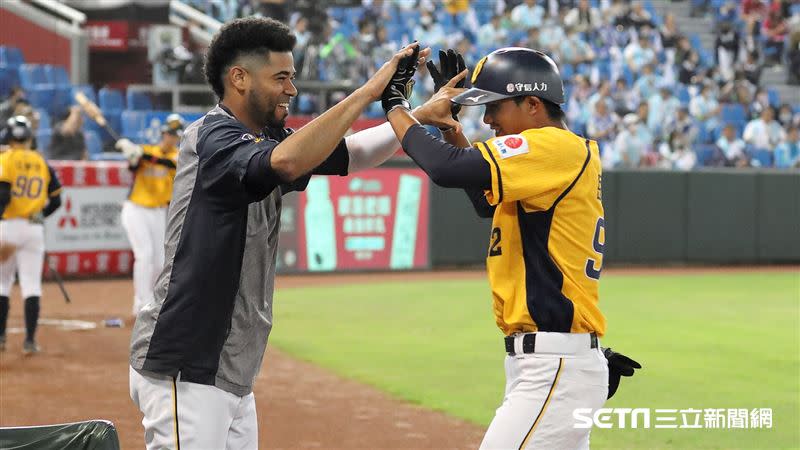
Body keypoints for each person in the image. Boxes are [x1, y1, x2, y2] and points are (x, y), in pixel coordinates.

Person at [128, 17, 433, 449]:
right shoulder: (214, 136)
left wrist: (419, 115)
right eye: (282, 77)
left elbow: (354, 153)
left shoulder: (263, 138)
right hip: (188, 362)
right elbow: (286, 163)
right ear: (239, 78)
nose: (292, 89)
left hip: (230, 371)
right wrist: (366, 93)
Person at [382, 47, 640, 449]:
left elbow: (447, 169)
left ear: (533, 104)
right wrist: (450, 127)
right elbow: (482, 200)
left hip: (553, 364)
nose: (487, 120)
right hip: (554, 362)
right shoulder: (552, 159)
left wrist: (396, 106)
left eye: (495, 107)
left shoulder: (554, 146)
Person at [0, 116, 62, 354]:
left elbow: (3, 196)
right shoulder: (41, 161)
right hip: (33, 228)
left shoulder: (5, 158)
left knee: (3, 283)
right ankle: (29, 341)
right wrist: (41, 214)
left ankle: (1, 337)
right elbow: (56, 200)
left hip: (7, 225)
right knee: (31, 285)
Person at [114, 114, 183, 316]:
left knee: (160, 260)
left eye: (174, 135)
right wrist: (133, 155)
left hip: (158, 211)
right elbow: (133, 167)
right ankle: (140, 303)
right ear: (162, 133)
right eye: (168, 134)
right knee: (144, 255)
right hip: (136, 209)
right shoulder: (146, 150)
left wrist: (140, 154)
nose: (170, 138)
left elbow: (167, 164)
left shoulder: (178, 155)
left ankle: (154, 301)